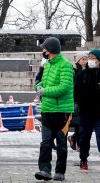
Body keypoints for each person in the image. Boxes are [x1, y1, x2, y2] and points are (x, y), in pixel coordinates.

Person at [33, 36, 75, 181]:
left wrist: (45, 91)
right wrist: (38, 87)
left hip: (61, 112)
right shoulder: (47, 65)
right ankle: (44, 170)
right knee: (45, 142)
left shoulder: (65, 65)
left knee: (61, 143)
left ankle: (60, 171)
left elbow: (64, 87)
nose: (43, 51)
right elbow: (41, 83)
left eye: (44, 48)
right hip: (47, 110)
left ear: (50, 50)